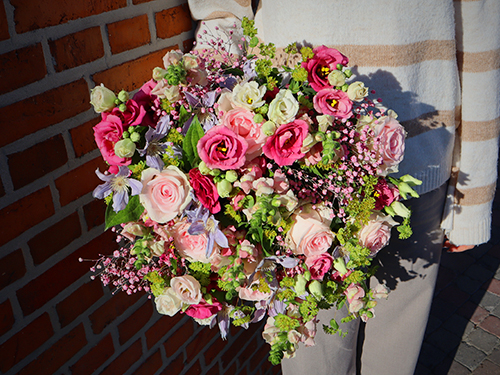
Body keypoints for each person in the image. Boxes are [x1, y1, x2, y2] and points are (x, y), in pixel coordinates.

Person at [187, 1, 500, 373]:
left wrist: (474, 197)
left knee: (395, 351)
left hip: (419, 154)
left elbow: (480, 26)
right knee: (314, 352)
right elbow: (223, 14)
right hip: (292, 164)